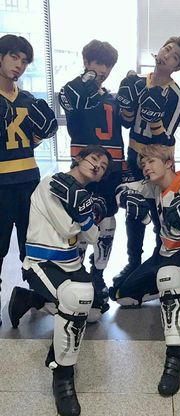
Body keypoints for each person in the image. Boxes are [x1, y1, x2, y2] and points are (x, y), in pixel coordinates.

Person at [9, 145, 112, 416]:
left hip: (69, 264)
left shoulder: (84, 195)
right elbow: (69, 228)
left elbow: (91, 237)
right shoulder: (52, 183)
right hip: (41, 263)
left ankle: (29, 299)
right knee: (76, 298)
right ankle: (62, 374)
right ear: (79, 159)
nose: (97, 166)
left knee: (93, 312)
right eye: (94, 159)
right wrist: (87, 218)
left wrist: (88, 215)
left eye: (103, 167)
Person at [109, 144, 180, 396]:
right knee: (122, 296)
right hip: (163, 254)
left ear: (168, 163)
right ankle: (171, 294)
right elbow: (120, 191)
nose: (146, 167)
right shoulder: (151, 186)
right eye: (143, 164)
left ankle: (175, 356)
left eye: (151, 162)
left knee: (170, 278)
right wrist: (125, 199)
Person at [113, 36, 180, 286]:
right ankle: (133, 263)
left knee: (160, 213)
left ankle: (161, 261)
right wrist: (126, 107)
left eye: (174, 56)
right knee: (134, 210)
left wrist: (154, 119)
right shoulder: (137, 82)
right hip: (132, 155)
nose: (168, 54)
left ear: (177, 67)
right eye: (167, 49)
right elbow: (126, 122)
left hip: (159, 160)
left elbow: (166, 137)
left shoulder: (175, 96)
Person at [58, 39, 125, 319]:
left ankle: (98, 276)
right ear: (86, 61)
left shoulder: (111, 97)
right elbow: (69, 102)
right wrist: (82, 82)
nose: (102, 69)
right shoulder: (72, 91)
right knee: (81, 219)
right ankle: (80, 272)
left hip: (111, 168)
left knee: (108, 220)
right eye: (97, 62)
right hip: (84, 167)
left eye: (107, 64)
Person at [0, 34, 58, 325]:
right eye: (14, 57)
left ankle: (34, 296)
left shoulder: (28, 100)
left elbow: (29, 142)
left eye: (24, 61)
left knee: (31, 246)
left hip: (27, 181)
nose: (19, 65)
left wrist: (43, 133)